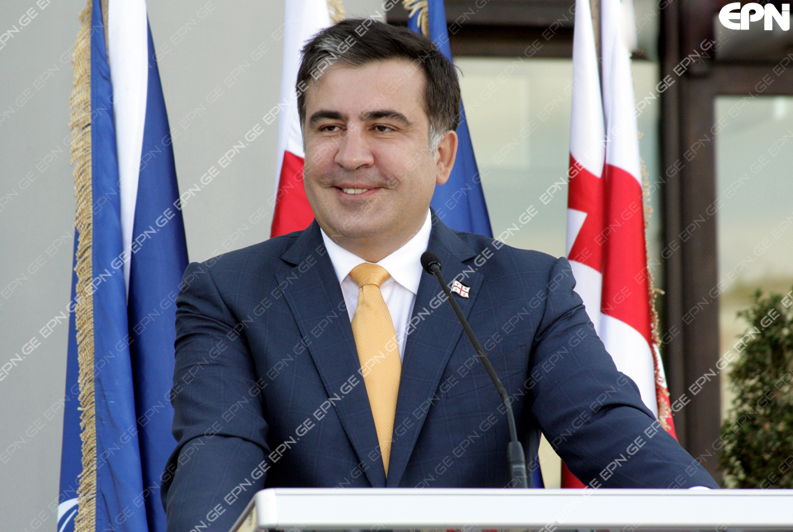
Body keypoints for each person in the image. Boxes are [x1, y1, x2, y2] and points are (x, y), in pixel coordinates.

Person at [161, 19, 717, 532]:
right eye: (329, 126)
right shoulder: (229, 293)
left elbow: (614, 437)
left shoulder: (526, 289)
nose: (351, 155)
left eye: (383, 127)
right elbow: (215, 461)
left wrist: (715, 518)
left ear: (443, 155)